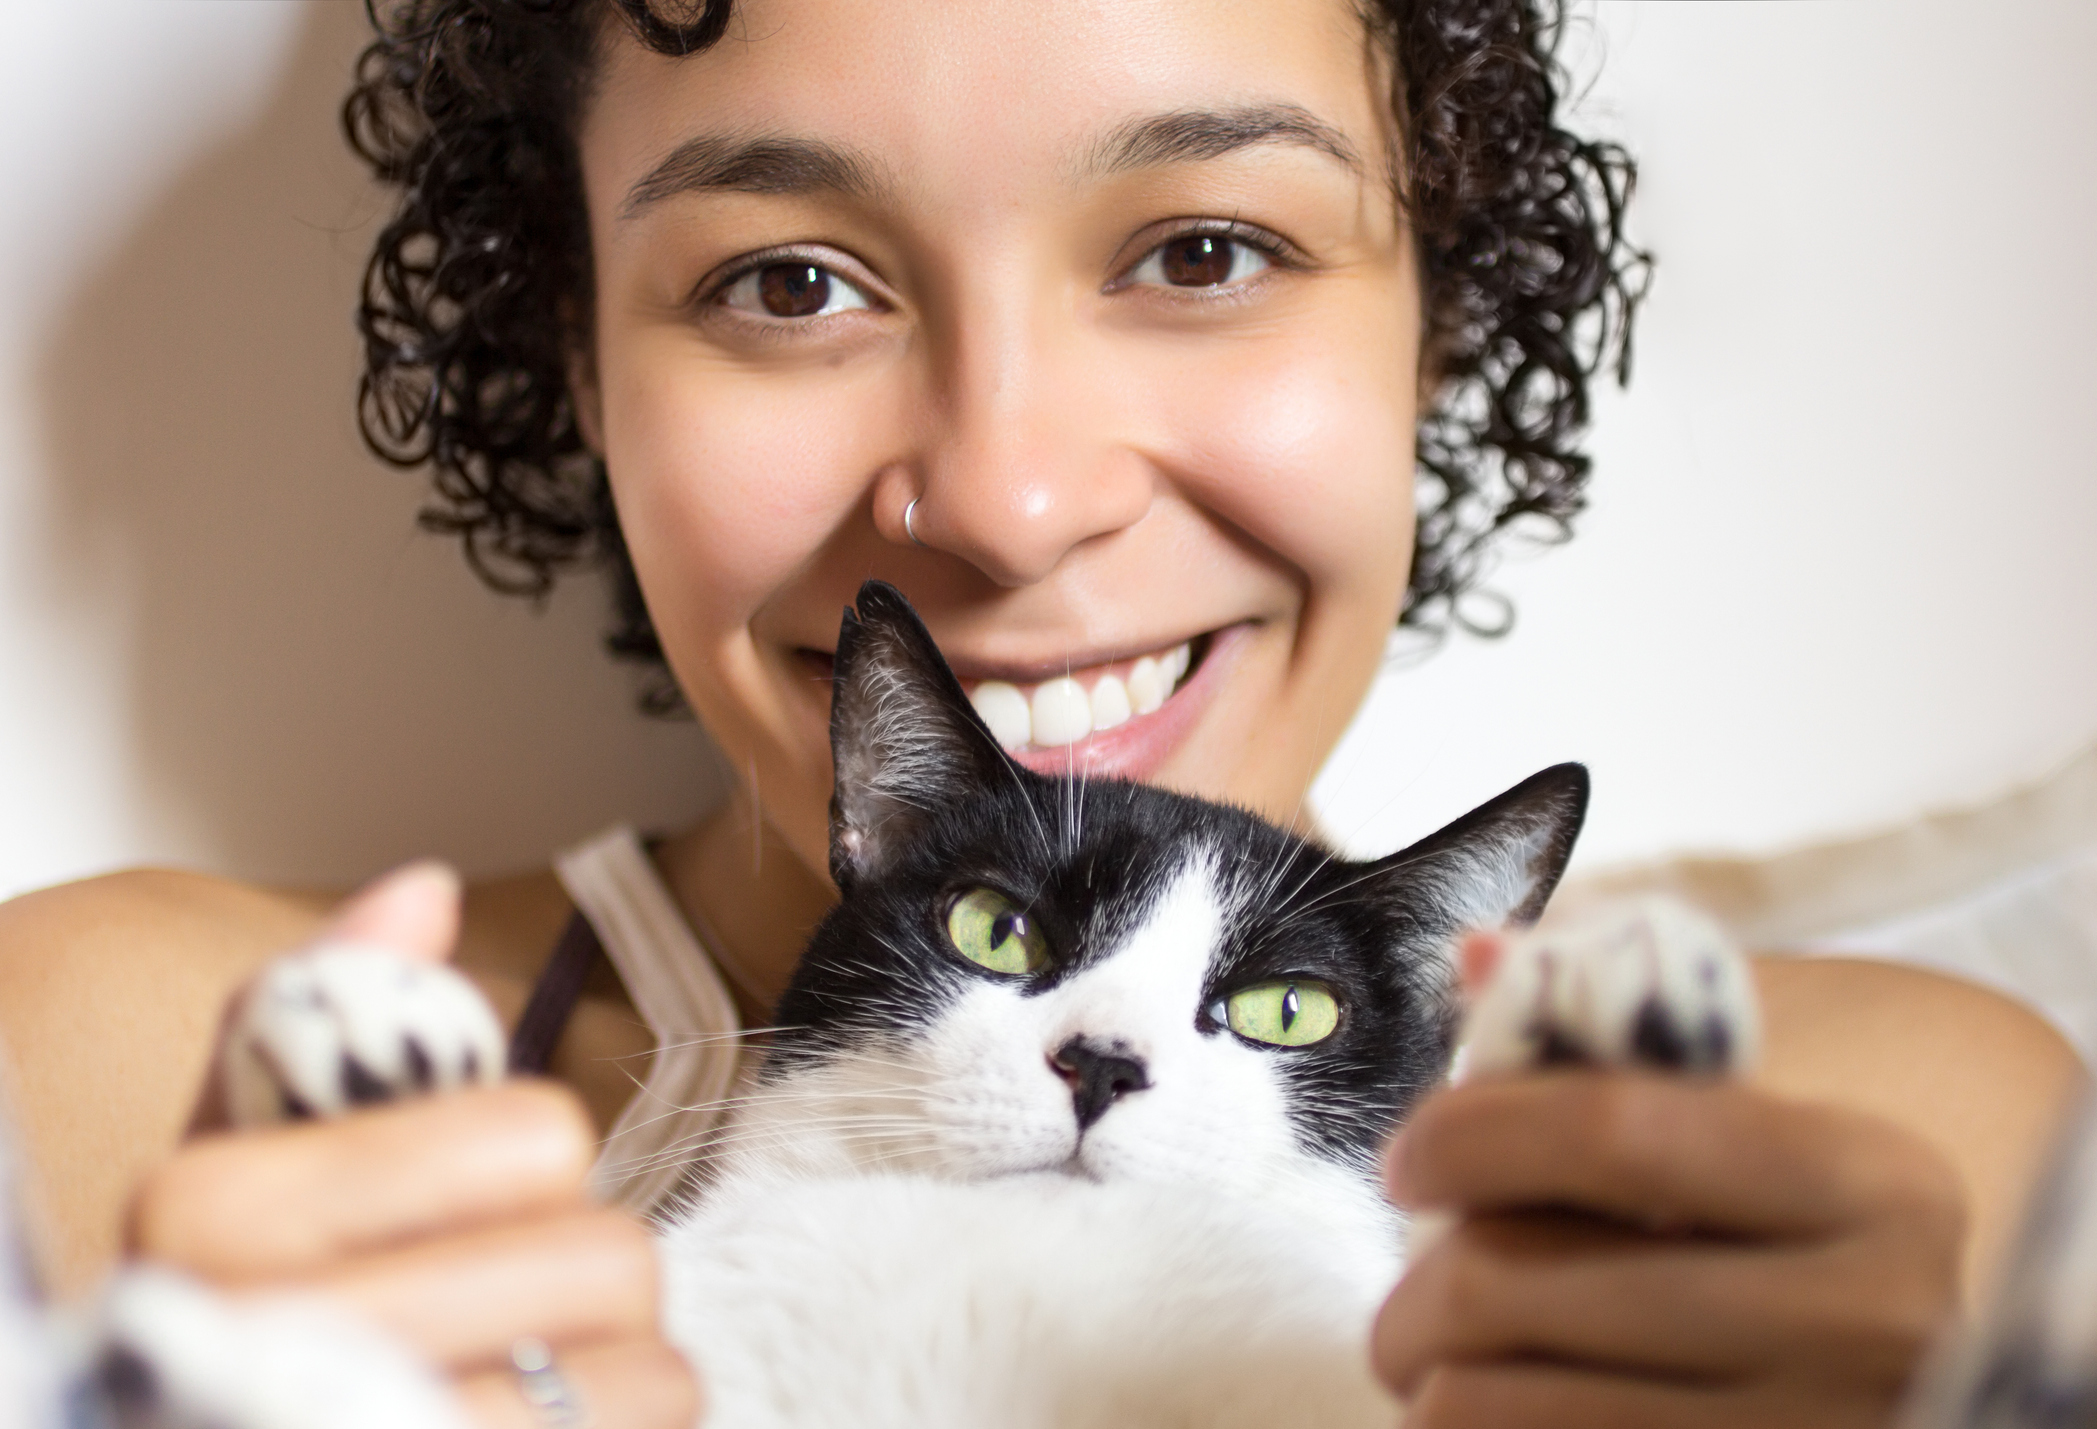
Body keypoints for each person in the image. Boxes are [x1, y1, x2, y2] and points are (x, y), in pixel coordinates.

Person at [0, 0, 2081, 1425]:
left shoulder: (1908, 1148)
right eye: (788, 281)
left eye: (1200, 245)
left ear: (1434, 311)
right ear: (579, 365)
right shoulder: (101, 1072)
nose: (1002, 500)